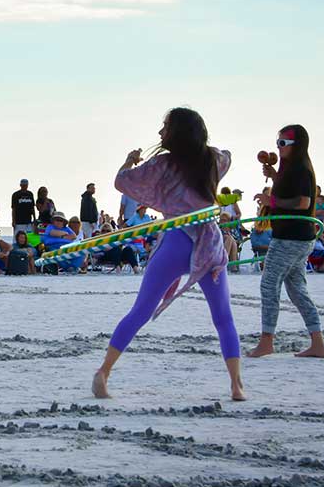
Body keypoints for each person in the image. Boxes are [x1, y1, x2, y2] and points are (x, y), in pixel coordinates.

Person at [94, 107, 243, 402]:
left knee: (140, 311)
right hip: (208, 242)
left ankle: (103, 373)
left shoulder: (162, 165)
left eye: (165, 127)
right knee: (223, 318)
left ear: (178, 133)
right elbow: (228, 155)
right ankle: (237, 385)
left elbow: (122, 181)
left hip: (177, 241)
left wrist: (129, 161)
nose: (160, 132)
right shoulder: (214, 159)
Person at [248, 124, 324, 360]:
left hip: (290, 237)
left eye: (284, 144)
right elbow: (291, 188)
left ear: (297, 145)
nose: (279, 148)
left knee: (269, 284)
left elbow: (302, 203)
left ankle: (266, 342)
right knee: (296, 290)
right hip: (299, 237)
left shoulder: (301, 170)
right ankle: (318, 344)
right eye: (278, 143)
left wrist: (270, 201)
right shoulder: (292, 169)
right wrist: (274, 176)